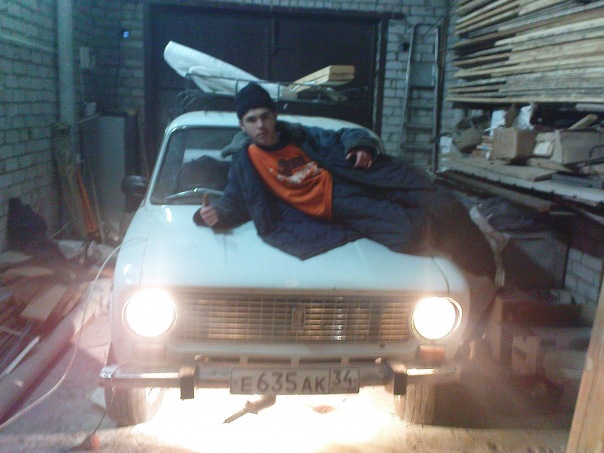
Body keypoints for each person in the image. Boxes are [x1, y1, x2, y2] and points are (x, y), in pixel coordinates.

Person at [194, 82, 496, 280]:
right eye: (251, 120)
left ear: (274, 116)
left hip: (355, 177)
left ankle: (487, 268)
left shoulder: (299, 134)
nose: (260, 125)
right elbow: (236, 199)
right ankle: (455, 241)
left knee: (443, 203)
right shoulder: (245, 162)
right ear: (242, 125)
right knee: (412, 234)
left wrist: (359, 145)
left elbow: (345, 134)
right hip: (337, 204)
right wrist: (214, 213)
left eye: (264, 116)